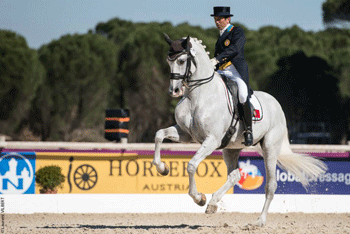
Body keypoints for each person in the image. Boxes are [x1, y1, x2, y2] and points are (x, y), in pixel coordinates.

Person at [210, 6, 253, 146]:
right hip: (221, 71)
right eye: (215, 19)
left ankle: (248, 130)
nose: (217, 22)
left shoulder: (237, 31)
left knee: (242, 95)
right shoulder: (221, 36)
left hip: (235, 71)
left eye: (219, 19)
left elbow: (235, 49)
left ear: (228, 19)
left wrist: (217, 59)